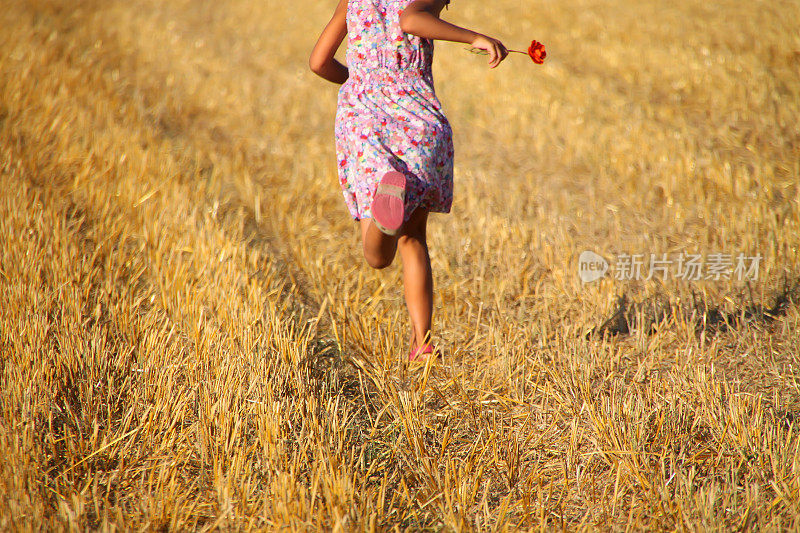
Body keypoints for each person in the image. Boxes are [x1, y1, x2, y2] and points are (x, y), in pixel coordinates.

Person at [310, 0, 508, 361]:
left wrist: (359, 80)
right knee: (414, 236)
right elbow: (412, 18)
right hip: (418, 121)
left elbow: (318, 62)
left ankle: (385, 219)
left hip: (365, 117)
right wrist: (474, 37)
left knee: (377, 258)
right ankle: (423, 343)